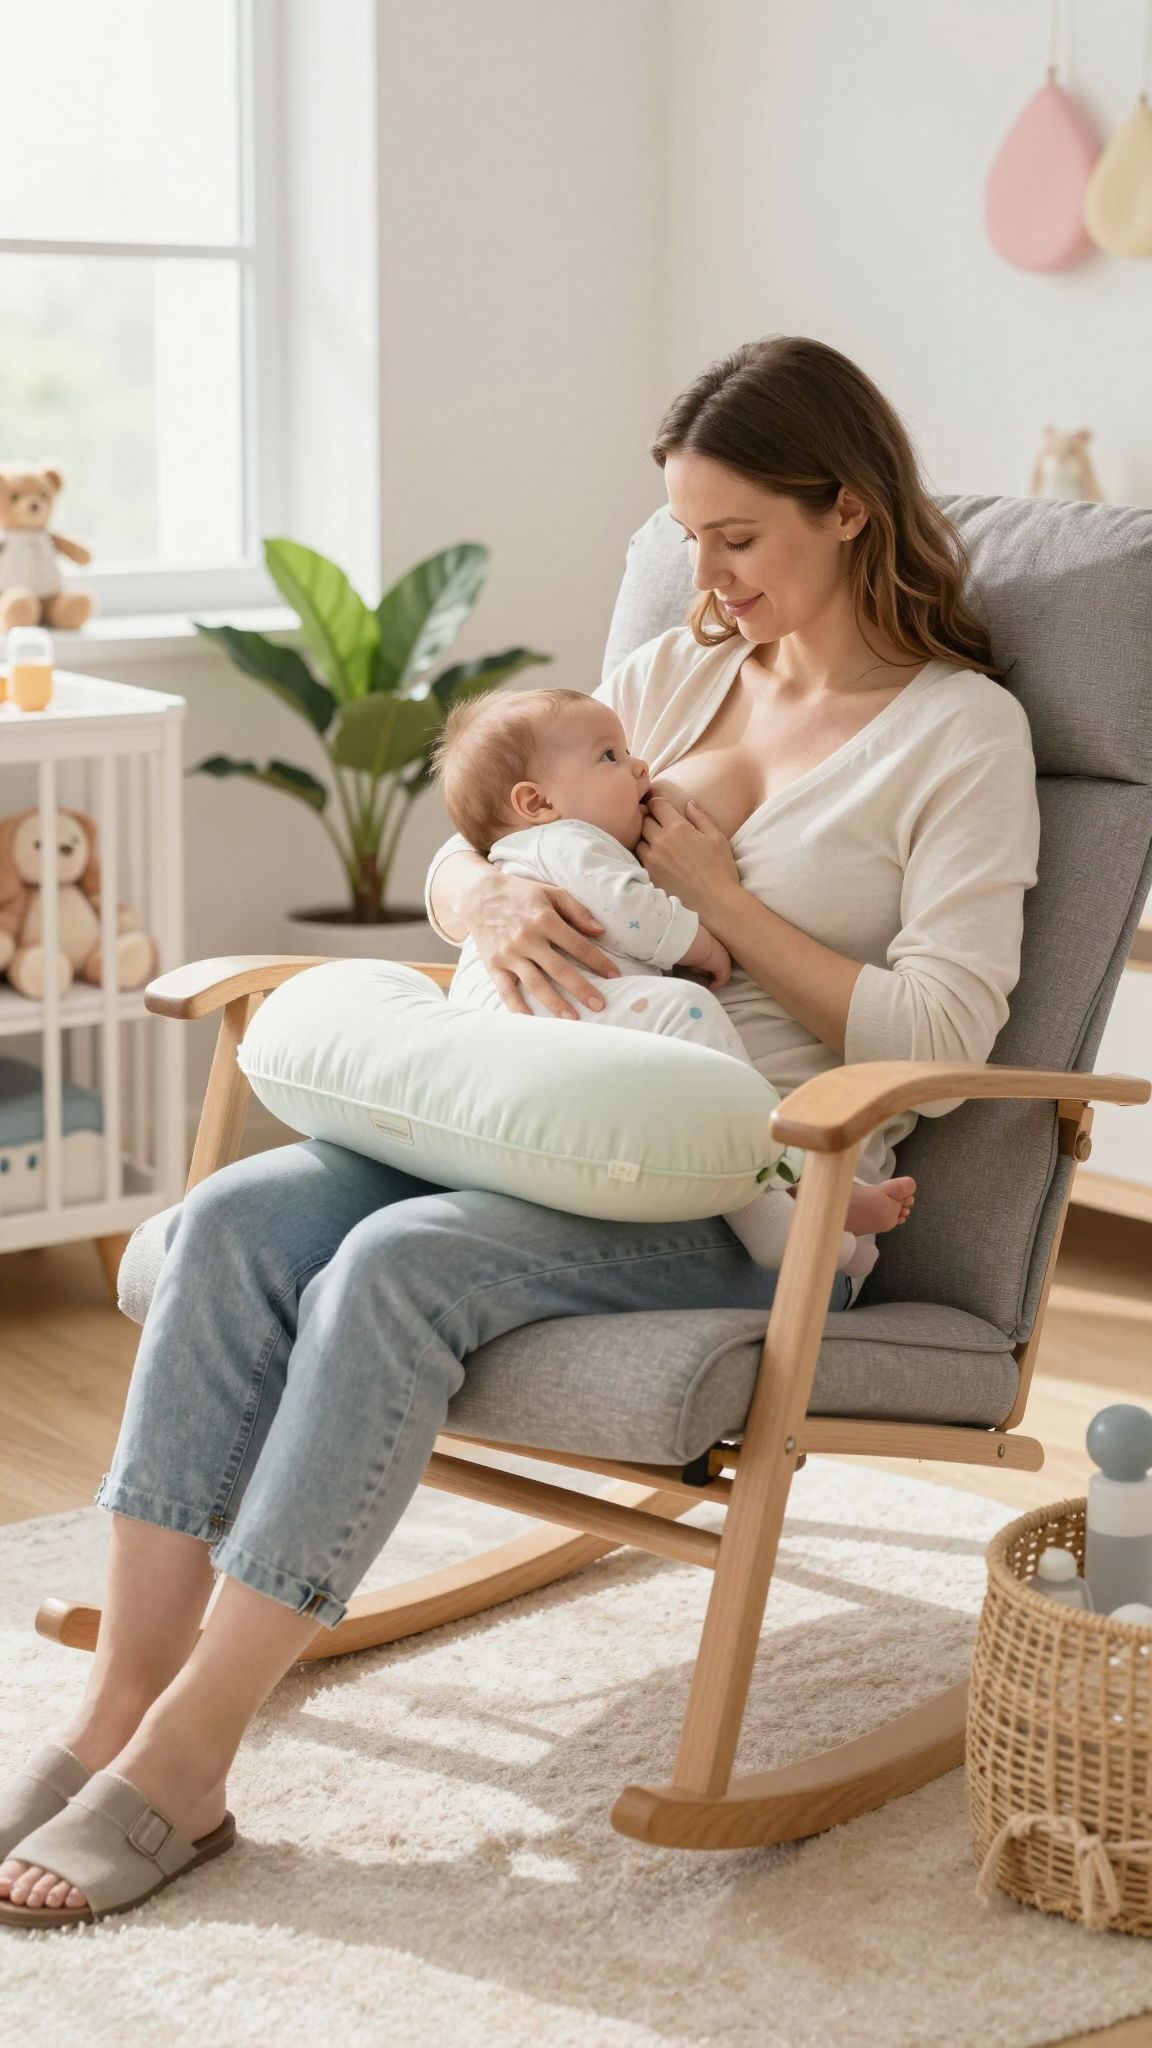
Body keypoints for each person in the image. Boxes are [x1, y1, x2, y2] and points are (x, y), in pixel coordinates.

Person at [0, 333, 1039, 1924]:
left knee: (400, 1265)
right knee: (225, 1221)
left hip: (756, 1180)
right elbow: (486, 828)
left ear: (845, 510)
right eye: (687, 537)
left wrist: (719, 904)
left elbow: (945, 1045)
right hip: (528, 1112)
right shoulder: (680, 669)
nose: (708, 575)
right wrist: (476, 891)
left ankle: (195, 1754)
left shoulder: (960, 735)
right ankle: (113, 1707)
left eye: (737, 538)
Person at [432, 684, 917, 1276]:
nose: (641, 765)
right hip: (564, 1020)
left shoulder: (538, 839)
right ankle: (778, 1207)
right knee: (688, 1014)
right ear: (535, 803)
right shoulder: (569, 841)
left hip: (530, 1049)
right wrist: (704, 940)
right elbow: (631, 912)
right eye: (610, 756)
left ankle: (807, 1203)